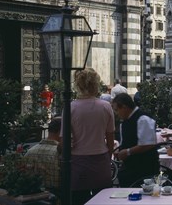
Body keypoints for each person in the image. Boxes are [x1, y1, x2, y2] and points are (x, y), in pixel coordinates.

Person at [64, 68, 115, 205]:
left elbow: (65, 141)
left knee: (79, 200)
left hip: (78, 161)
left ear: (78, 85)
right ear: (96, 84)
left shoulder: (70, 108)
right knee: (103, 200)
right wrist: (108, 157)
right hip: (101, 159)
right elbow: (110, 138)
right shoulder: (105, 106)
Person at [112, 93, 159, 187]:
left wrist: (127, 152)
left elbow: (148, 144)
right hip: (130, 169)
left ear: (124, 107)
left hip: (144, 170)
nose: (116, 114)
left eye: (117, 110)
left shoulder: (143, 119)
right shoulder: (125, 122)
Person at [25, 117, 61, 198]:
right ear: (60, 132)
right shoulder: (60, 154)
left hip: (33, 198)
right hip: (56, 198)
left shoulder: (30, 152)